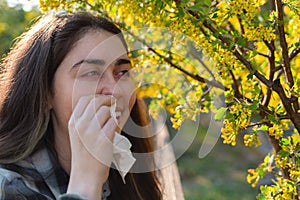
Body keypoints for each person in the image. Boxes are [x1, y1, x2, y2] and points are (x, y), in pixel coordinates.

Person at [0, 11, 183, 200]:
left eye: (122, 72)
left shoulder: (131, 175)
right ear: (45, 93)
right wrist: (86, 182)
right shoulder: (8, 186)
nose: (115, 91)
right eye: (91, 73)